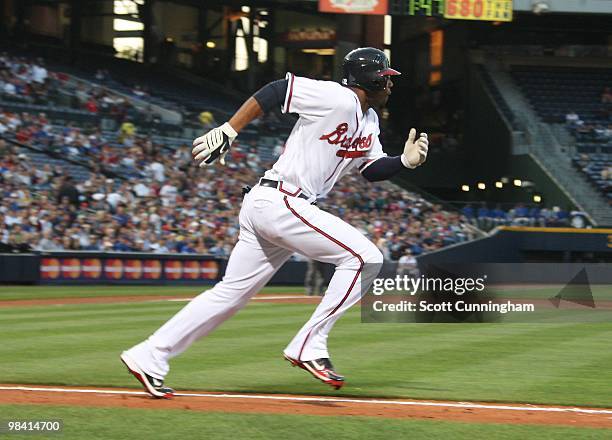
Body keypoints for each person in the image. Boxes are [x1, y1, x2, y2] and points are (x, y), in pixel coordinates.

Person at [120, 47, 429, 398]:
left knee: (230, 295)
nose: (390, 86)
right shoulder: (337, 97)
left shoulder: (369, 121)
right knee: (365, 258)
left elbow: (370, 170)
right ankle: (308, 345)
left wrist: (403, 161)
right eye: (386, 79)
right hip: (281, 201)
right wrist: (229, 129)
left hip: (273, 206)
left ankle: (149, 355)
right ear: (368, 79)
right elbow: (277, 90)